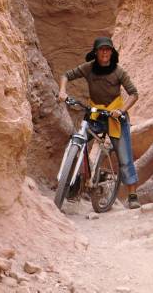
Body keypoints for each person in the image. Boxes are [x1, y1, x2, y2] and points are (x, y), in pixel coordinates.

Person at [58, 36, 141, 209]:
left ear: (111, 53)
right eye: (102, 49)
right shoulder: (88, 68)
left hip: (115, 117)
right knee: (78, 141)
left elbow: (134, 94)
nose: (105, 52)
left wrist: (121, 110)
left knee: (124, 157)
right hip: (95, 114)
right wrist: (62, 91)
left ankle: (133, 194)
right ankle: (73, 182)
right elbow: (66, 75)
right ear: (96, 53)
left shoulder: (119, 72)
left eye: (108, 49)